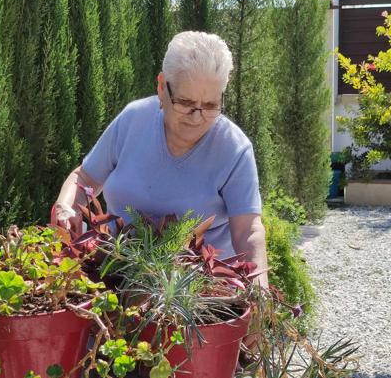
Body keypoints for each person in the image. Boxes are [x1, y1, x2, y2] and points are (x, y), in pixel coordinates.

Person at [54, 31, 268, 286]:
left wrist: (259, 292)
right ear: (161, 87)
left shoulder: (234, 149)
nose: (197, 116)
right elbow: (85, 177)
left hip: (196, 295)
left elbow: (248, 230)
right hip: (113, 275)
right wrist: (65, 207)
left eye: (210, 105)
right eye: (185, 102)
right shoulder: (133, 120)